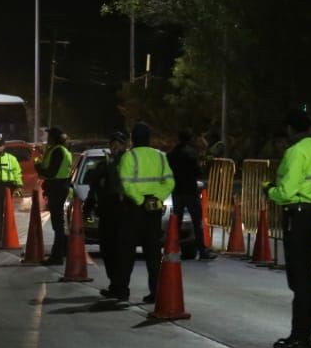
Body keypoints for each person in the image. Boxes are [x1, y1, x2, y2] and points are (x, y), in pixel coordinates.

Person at [263, 109, 311, 348]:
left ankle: (300, 336)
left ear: (291, 129)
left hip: (298, 214)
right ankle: (305, 333)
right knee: (306, 275)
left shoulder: (295, 151)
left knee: (299, 278)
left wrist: (270, 190)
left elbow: (287, 190)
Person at [104, 122, 174, 304]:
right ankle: (155, 292)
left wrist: (140, 201)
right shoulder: (160, 157)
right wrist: (156, 199)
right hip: (154, 210)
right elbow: (169, 182)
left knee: (126, 252)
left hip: (133, 209)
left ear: (133, 139)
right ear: (149, 138)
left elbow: (126, 184)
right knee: (153, 253)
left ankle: (122, 290)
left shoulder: (129, 157)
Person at [167, 128, 217, 259]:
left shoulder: (172, 154)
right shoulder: (191, 154)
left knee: (176, 222)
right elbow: (198, 172)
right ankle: (202, 251)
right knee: (196, 222)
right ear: (190, 139)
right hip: (190, 191)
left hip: (177, 191)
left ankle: (174, 249)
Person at [83, 130, 127, 265]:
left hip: (124, 212)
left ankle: (118, 283)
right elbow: (92, 185)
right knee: (107, 248)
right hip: (107, 211)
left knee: (121, 248)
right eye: (113, 144)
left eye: (118, 144)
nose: (115, 147)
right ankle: (115, 283)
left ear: (124, 146)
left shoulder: (130, 163)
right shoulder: (105, 164)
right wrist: (87, 209)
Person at [35, 126, 73, 265]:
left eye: (49, 135)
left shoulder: (57, 151)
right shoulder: (64, 150)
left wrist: (38, 166)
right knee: (59, 223)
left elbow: (50, 172)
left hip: (57, 188)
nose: (47, 138)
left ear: (55, 138)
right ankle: (62, 251)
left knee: (57, 224)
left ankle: (57, 256)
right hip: (59, 187)